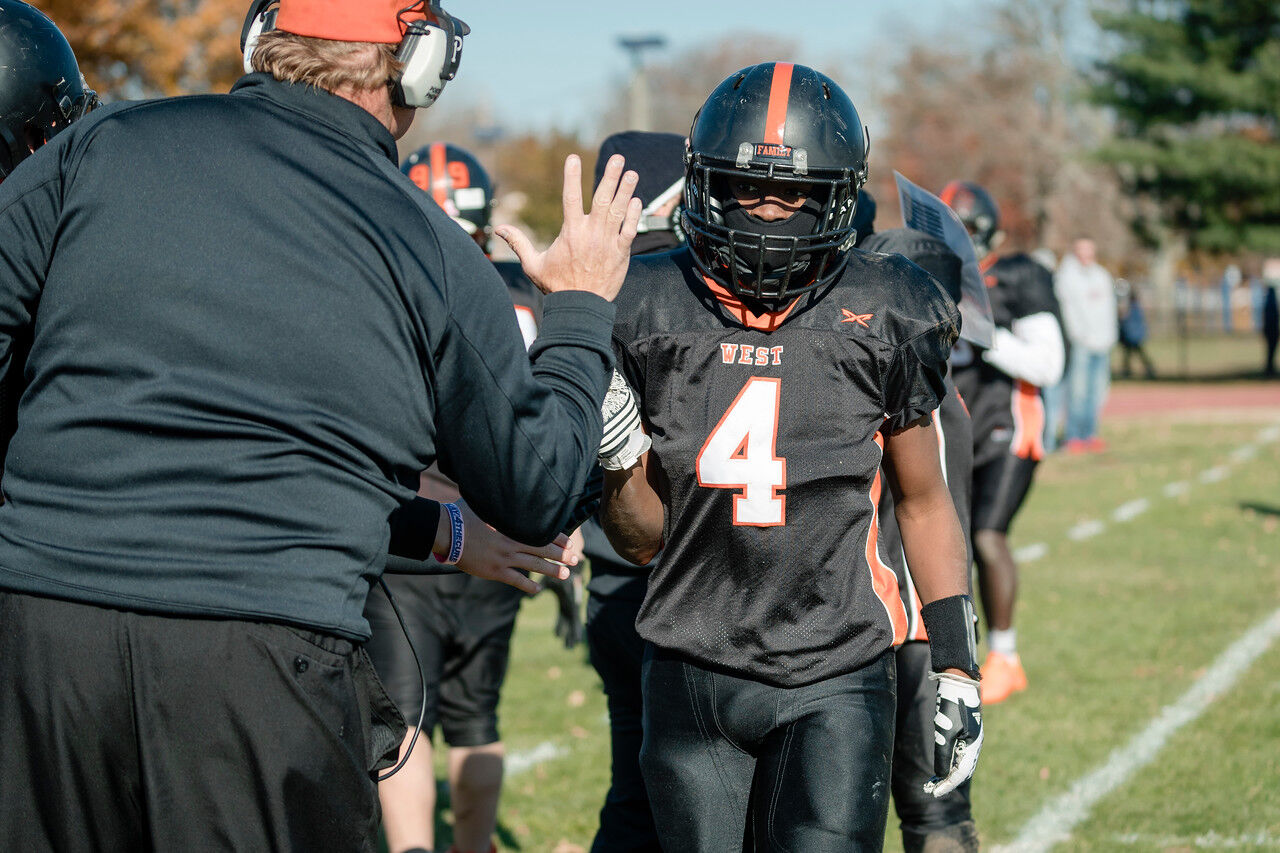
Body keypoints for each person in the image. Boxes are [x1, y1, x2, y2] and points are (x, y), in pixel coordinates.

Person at [0, 1, 647, 848]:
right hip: (260, 659)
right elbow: (537, 487)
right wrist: (578, 312)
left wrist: (438, 531)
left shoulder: (101, 145)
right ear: (417, 67)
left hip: (40, 633)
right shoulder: (425, 240)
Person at [597, 63, 984, 850]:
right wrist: (615, 452)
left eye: (794, 194)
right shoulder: (645, 302)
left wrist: (955, 660)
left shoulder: (886, 306)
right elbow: (641, 540)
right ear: (704, 185)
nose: (767, 213)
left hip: (836, 669)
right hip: (690, 660)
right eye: (746, 187)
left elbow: (923, 496)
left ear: (838, 197)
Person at [366, 142, 552, 853]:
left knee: (404, 721)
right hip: (499, 529)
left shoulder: (384, 282)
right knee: (478, 719)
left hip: (414, 527)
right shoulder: (516, 293)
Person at [583, 129, 686, 853]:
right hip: (688, 582)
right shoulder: (682, 291)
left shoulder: (585, 296)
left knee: (634, 787)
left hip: (608, 576)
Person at [861, 228, 979, 853]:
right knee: (935, 812)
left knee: (889, 817)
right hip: (937, 615)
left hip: (896, 619)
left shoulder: (908, 393)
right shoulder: (949, 393)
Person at [941, 180, 1064, 705]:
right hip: (956, 428)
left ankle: (1006, 657)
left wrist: (982, 329)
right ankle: (956, 656)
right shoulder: (936, 277)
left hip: (1010, 424)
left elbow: (1048, 364)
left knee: (988, 536)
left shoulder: (1019, 275)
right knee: (953, 543)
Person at [1056, 238, 1118, 452]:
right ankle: (1073, 436)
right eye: (1081, 249)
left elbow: (1109, 309)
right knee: (1078, 391)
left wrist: (1110, 336)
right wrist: (1079, 336)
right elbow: (1069, 310)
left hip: (1103, 342)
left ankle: (1091, 433)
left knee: (1097, 390)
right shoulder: (1067, 277)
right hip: (1082, 344)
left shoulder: (1101, 275)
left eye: (1089, 249)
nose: (1086, 253)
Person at [1117, 279, 1156, 380]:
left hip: (1132, 335)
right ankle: (1131, 371)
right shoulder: (1137, 307)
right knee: (1134, 354)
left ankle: (1129, 371)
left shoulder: (1132, 308)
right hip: (1135, 335)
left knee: (1133, 354)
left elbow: (1126, 320)